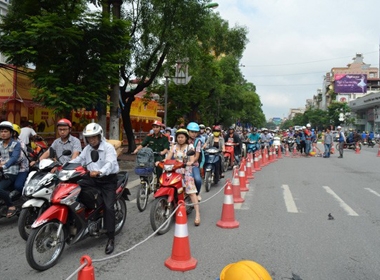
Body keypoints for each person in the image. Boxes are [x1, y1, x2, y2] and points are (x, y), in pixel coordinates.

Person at [70, 122, 119, 254]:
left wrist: (100, 172)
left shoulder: (108, 148)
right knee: (73, 190)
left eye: (94, 137)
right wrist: (64, 166)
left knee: (109, 207)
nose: (91, 140)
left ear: (100, 136)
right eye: (89, 137)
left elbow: (110, 163)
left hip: (107, 180)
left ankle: (110, 237)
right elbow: (79, 160)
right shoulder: (87, 149)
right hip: (92, 179)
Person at [165, 128, 200, 226]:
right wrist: (162, 162)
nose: (180, 139)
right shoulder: (173, 146)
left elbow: (192, 160)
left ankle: (197, 214)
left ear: (186, 138)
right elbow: (168, 158)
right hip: (175, 171)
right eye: (178, 137)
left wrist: (187, 163)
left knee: (192, 192)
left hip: (186, 172)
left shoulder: (190, 147)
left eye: (182, 137)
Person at [0, 121, 21, 218]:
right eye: (1, 131)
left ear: (11, 133)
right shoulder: (0, 144)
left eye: (5, 131)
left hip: (11, 171)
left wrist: (4, 166)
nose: (3, 133)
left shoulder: (16, 144)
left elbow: (14, 158)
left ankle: (11, 205)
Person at [186, 122, 203, 201]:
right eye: (192, 132)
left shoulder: (197, 142)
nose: (194, 134)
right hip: (181, 165)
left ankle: (197, 193)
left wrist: (191, 162)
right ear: (188, 131)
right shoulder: (183, 139)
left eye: (195, 132)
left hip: (193, 165)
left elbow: (197, 156)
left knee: (198, 180)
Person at [12, 123, 29, 193]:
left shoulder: (21, 144)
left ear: (14, 133)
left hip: (21, 169)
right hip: (9, 168)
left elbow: (20, 158)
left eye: (7, 131)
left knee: (18, 186)